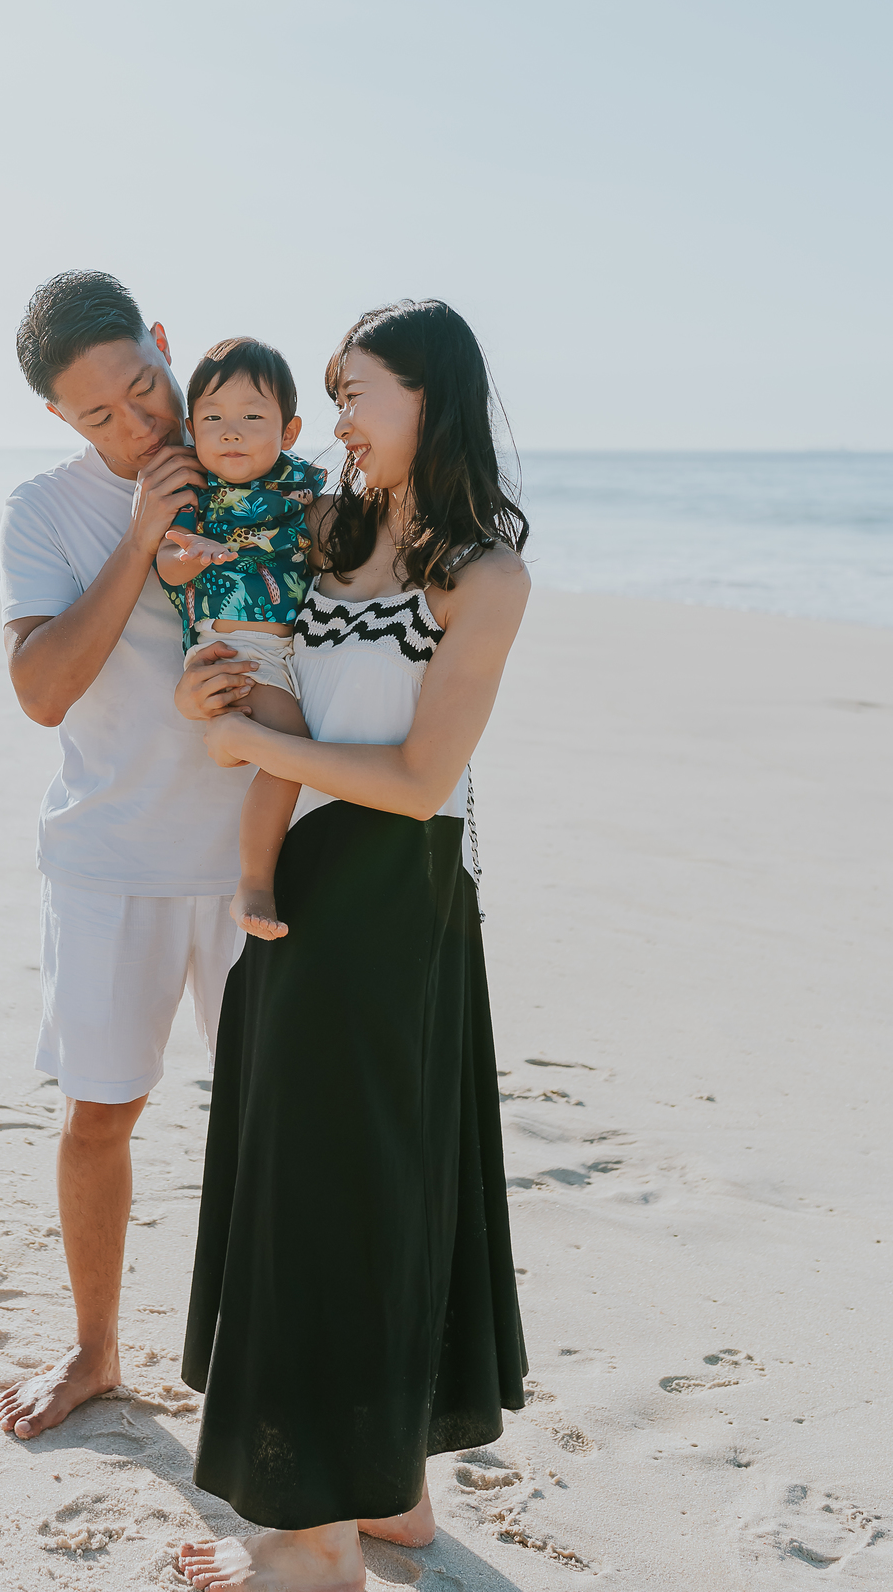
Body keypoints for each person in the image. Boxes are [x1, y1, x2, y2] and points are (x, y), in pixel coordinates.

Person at [174, 300, 532, 1591]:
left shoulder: (485, 576)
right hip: (303, 887)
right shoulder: (336, 530)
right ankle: (390, 1497)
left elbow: (423, 778)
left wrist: (247, 742)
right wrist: (223, 696)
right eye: (330, 400)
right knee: (326, 1185)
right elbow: (301, 695)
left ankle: (317, 1545)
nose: (337, 424)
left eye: (354, 394)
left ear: (428, 397)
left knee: (353, 1190)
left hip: (396, 899)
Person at [0, 270, 257, 1440]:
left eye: (146, 389)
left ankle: (273, 1357)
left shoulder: (257, 460)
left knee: (274, 1126)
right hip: (109, 860)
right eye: (100, 414)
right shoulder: (44, 510)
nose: (140, 423)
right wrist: (143, 536)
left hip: (258, 859)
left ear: (162, 341)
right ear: (61, 418)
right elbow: (42, 690)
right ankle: (96, 1349)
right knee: (100, 1114)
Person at [155, 336, 327, 942]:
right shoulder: (194, 495)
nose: (231, 432)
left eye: (253, 417)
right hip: (232, 649)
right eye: (212, 418)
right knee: (290, 753)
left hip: (289, 654)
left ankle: (230, 743)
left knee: (286, 749)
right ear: (190, 428)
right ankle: (254, 880)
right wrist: (190, 555)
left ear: (289, 429)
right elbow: (165, 563)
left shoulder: (301, 492)